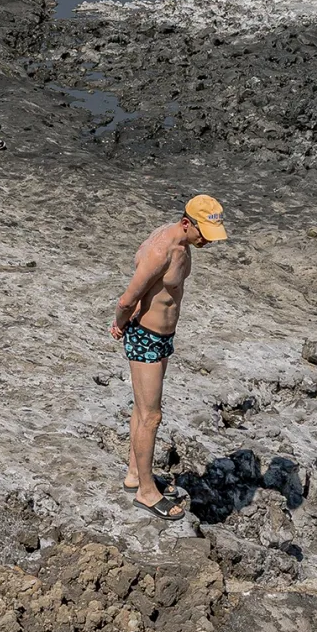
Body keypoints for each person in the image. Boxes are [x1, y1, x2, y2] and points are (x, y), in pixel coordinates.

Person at [109, 197, 228, 519]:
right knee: (151, 417)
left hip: (163, 336)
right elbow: (127, 298)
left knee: (142, 409)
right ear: (187, 223)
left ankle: (135, 475)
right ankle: (147, 493)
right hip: (145, 337)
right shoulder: (161, 250)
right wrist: (120, 325)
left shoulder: (180, 242)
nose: (207, 241)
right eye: (204, 233)